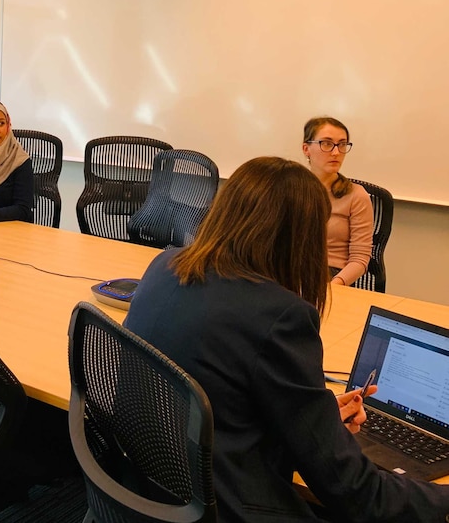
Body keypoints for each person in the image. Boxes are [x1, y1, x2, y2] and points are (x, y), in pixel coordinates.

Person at [123, 157, 449, 523]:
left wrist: (316, 417)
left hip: (154, 488)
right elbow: (356, 493)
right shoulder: (280, 316)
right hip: (229, 507)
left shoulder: (165, 266)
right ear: (303, 236)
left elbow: (223, 386)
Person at [302, 116, 372, 286]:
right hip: (291, 270)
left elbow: (360, 257)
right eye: (326, 143)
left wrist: (335, 285)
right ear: (306, 149)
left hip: (331, 275)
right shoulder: (291, 189)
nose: (336, 152)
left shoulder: (356, 195)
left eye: (342, 144)